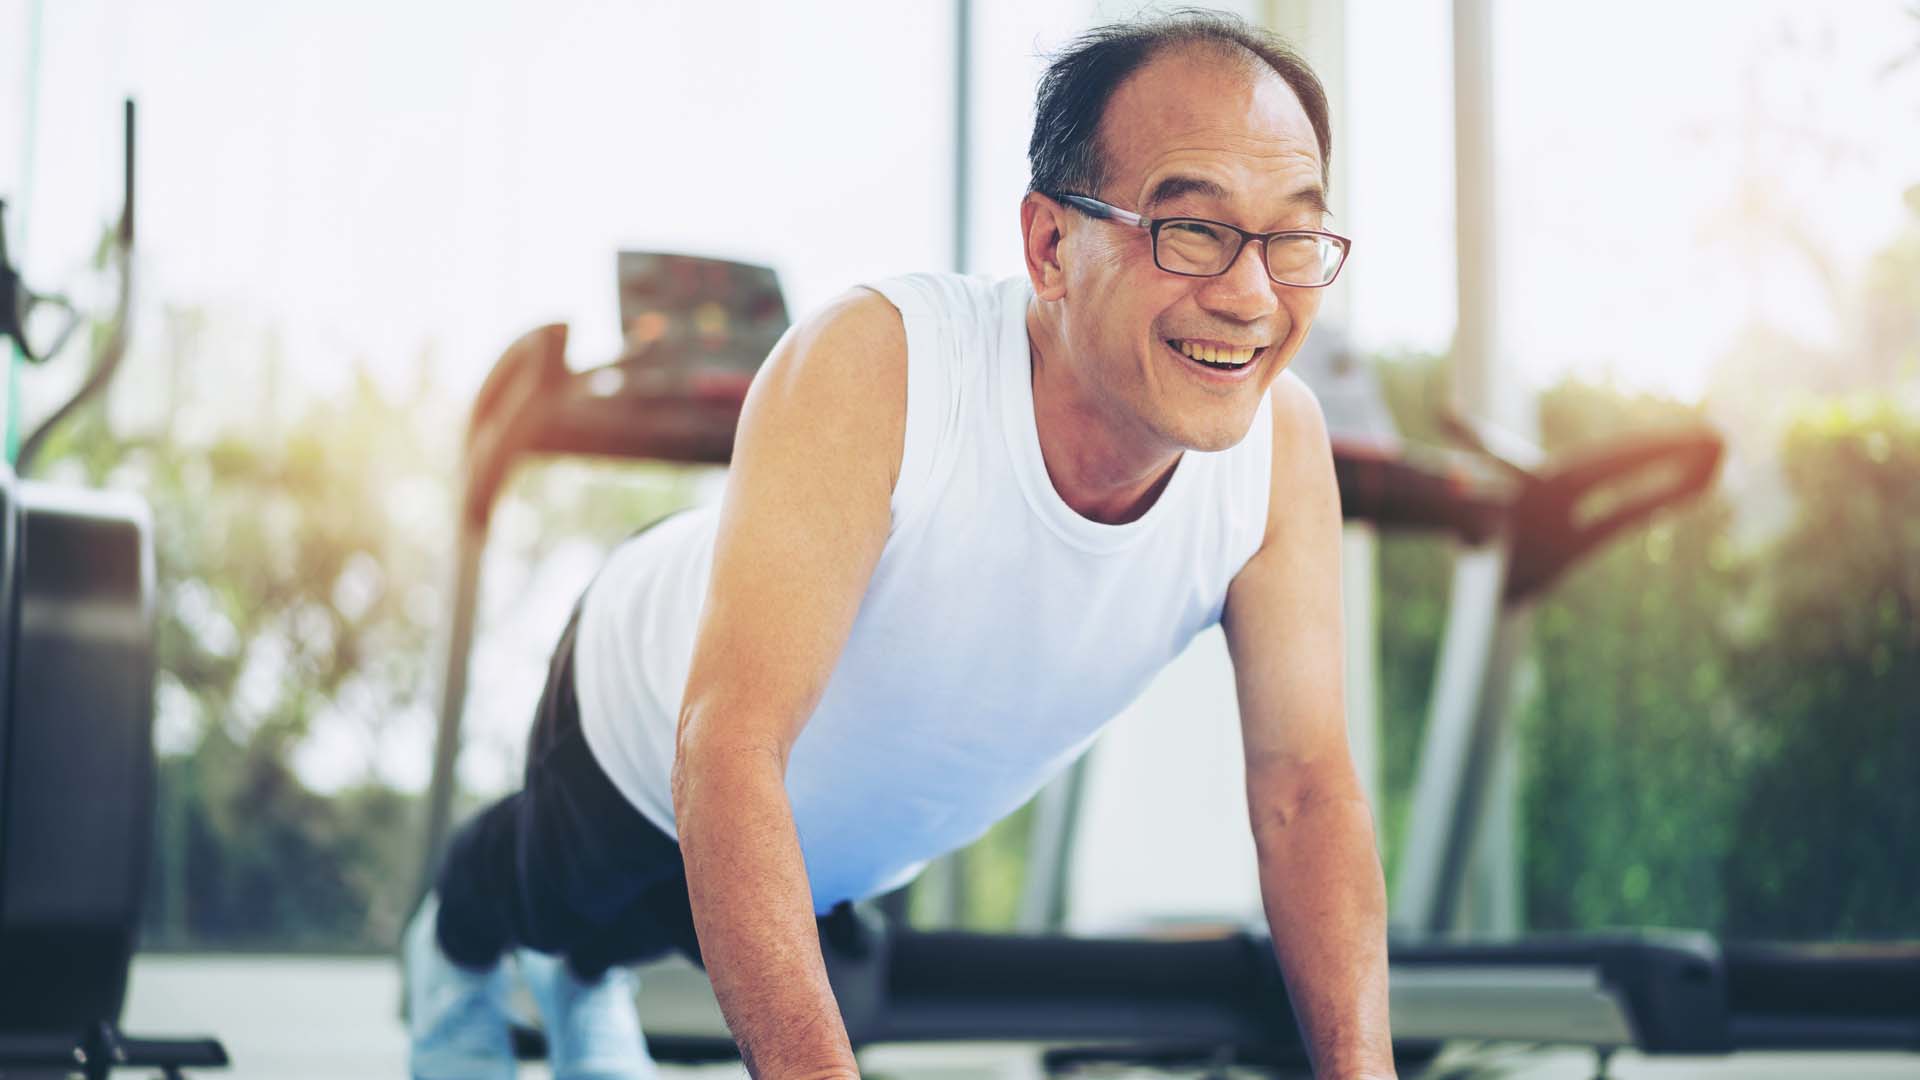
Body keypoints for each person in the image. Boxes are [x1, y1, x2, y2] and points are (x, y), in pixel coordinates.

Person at [405, 11, 1395, 1080]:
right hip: (640, 721)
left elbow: (1306, 791)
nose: (1252, 297)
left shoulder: (1281, 450)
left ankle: (587, 980)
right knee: (553, 899)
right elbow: (730, 747)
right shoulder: (877, 363)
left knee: (648, 941)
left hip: (830, 843)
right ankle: (450, 954)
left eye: (1291, 237)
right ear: (1051, 246)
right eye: (1192, 229)